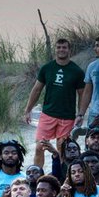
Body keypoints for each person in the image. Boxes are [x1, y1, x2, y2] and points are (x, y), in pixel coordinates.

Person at [23, 38, 86, 167]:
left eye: (64, 47)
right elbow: (36, 90)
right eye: (58, 47)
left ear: (69, 50)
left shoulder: (77, 71)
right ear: (55, 49)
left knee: (62, 149)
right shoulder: (47, 68)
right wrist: (28, 110)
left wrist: (80, 114)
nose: (61, 50)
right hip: (48, 114)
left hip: (67, 116)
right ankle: (38, 176)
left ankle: (62, 177)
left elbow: (82, 94)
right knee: (39, 147)